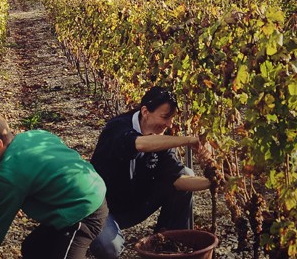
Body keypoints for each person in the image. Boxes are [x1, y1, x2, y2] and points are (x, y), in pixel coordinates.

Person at [0, 108, 109, 259]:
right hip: (91, 190)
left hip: (83, 213)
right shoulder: (33, 135)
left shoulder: (8, 175)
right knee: (33, 249)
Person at [89, 86, 212, 259]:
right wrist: (188, 140)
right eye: (165, 117)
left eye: (171, 118)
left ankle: (167, 245)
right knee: (110, 248)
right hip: (103, 206)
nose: (169, 124)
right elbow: (138, 144)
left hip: (134, 203)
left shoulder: (161, 138)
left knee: (187, 173)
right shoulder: (117, 128)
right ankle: (89, 231)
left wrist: (215, 182)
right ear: (145, 111)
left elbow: (178, 180)